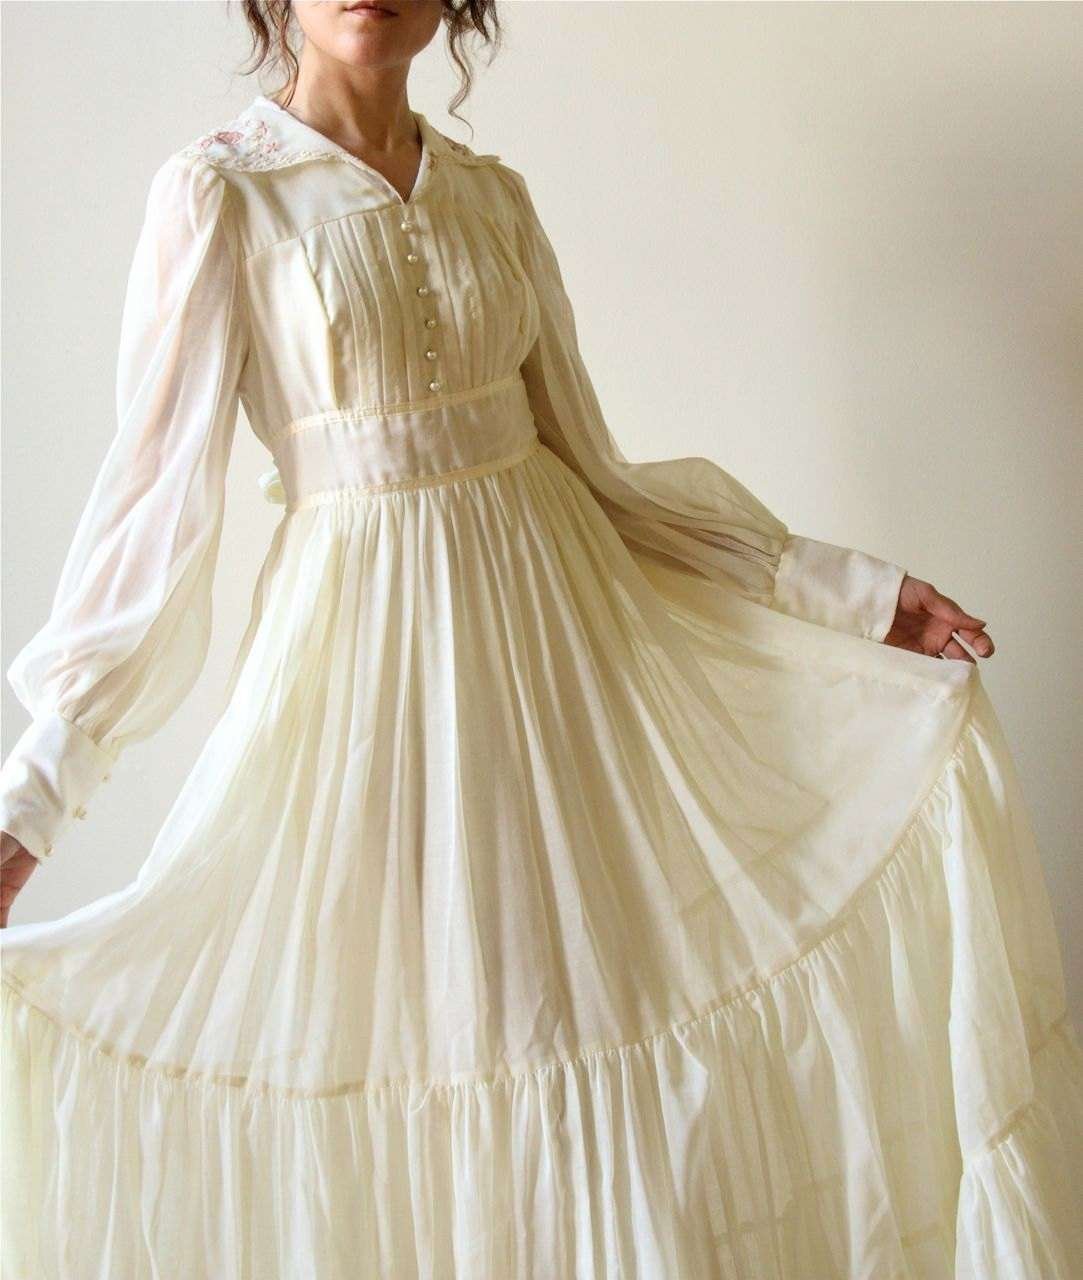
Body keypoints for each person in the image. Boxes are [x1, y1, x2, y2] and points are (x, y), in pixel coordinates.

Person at [2, 2, 1080, 1275]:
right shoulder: (221, 195)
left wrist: (853, 592)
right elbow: (152, 520)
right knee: (443, 1048)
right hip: (373, 689)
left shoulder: (491, 198)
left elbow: (600, 475)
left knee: (595, 1028)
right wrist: (33, 798)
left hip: (568, 663)